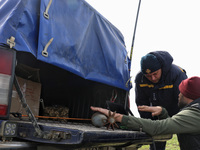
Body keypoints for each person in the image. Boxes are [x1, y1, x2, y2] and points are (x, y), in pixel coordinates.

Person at [91, 76, 200, 150]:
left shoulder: (195, 113)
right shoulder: (195, 112)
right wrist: (163, 112)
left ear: (188, 95)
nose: (178, 95)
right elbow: (171, 127)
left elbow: (156, 128)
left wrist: (117, 116)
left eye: (181, 92)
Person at [135, 51, 187, 150]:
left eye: (155, 74)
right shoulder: (140, 79)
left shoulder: (177, 74)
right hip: (156, 115)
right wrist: (149, 123)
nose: (152, 78)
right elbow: (141, 103)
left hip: (178, 112)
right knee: (156, 144)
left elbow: (185, 101)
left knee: (186, 141)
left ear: (161, 68)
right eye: (148, 76)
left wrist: (179, 121)